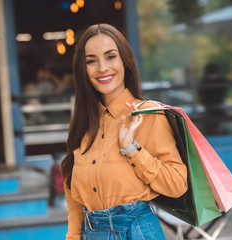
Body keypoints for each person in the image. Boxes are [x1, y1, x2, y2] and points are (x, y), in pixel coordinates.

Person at [61, 24, 188, 240]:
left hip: (136, 232)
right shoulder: (84, 122)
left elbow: (177, 185)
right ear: (83, 69)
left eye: (110, 57)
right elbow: (73, 193)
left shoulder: (148, 115)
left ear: (125, 61)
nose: (102, 68)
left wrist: (132, 150)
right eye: (91, 60)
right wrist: (73, 236)